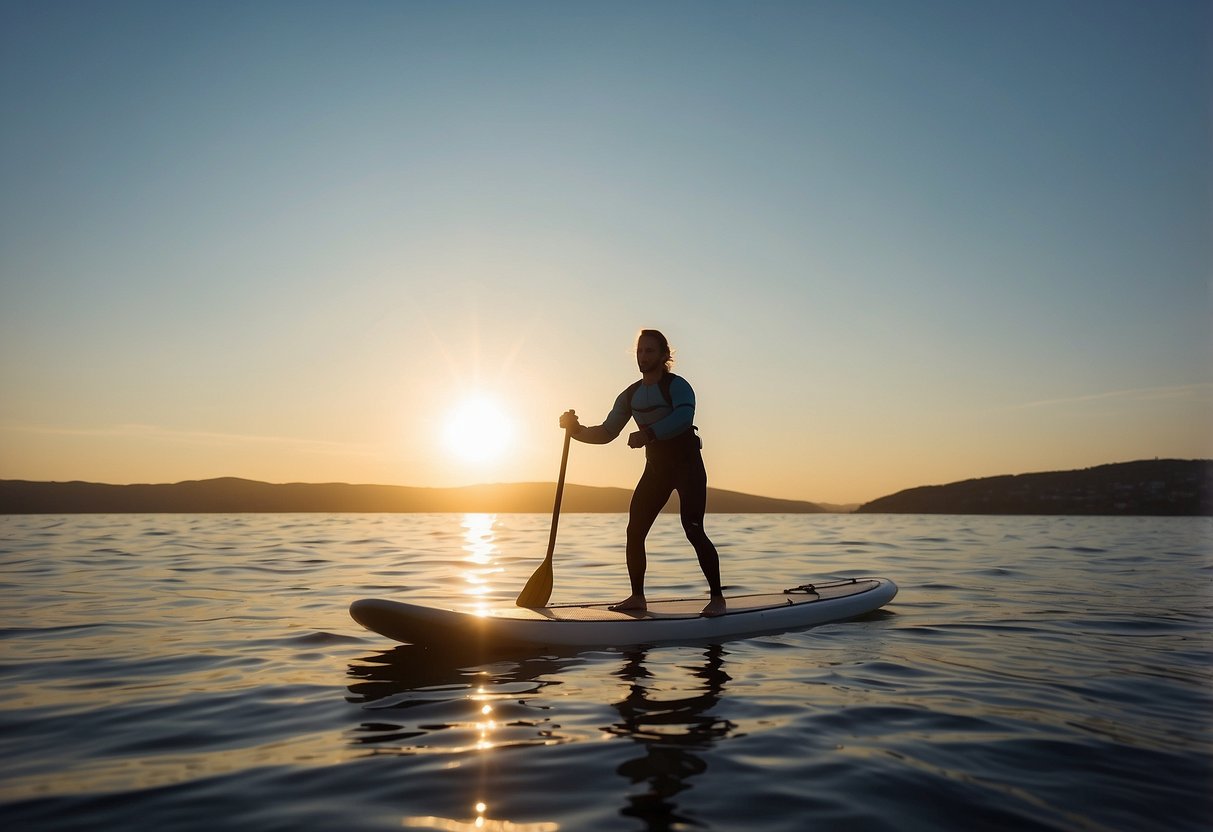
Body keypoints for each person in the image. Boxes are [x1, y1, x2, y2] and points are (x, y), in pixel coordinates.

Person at [559, 329, 725, 617]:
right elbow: (607, 432)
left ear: (664, 356)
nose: (643, 356)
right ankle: (637, 597)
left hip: (687, 466)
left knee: (693, 529)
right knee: (634, 531)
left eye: (650, 351)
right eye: (640, 351)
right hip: (656, 469)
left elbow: (684, 417)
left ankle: (717, 598)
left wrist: (648, 434)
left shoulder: (678, 386)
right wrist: (576, 431)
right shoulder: (630, 395)